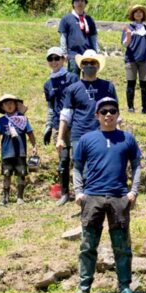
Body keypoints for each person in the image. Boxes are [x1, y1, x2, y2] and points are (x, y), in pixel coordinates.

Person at [68, 97, 141, 293]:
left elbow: (137, 165)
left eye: (112, 111)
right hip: (92, 197)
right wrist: (79, 192)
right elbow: (77, 167)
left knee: (122, 246)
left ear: (118, 114)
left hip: (119, 197)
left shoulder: (127, 138)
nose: (108, 114)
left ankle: (125, 287)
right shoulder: (87, 139)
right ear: (97, 115)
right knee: (88, 245)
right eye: (104, 111)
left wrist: (133, 191)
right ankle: (84, 289)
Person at [59, 50, 118, 206]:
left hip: (103, 133)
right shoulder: (73, 88)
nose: (89, 66)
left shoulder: (108, 86)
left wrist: (117, 131)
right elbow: (65, 115)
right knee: (81, 168)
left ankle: (102, 199)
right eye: (86, 63)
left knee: (103, 165)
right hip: (79, 133)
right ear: (81, 66)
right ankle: (85, 201)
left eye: (93, 63)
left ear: (98, 66)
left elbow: (115, 111)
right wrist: (60, 137)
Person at [44, 47, 79, 203]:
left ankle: (81, 191)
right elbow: (51, 107)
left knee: (79, 159)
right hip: (60, 126)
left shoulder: (72, 78)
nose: (54, 62)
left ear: (63, 59)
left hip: (77, 123)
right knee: (63, 161)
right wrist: (48, 126)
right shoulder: (48, 84)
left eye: (56, 58)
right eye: (50, 59)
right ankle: (65, 193)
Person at [0, 94, 36, 205]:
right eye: (6, 104)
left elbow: (30, 133)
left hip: (20, 152)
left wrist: (34, 146)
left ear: (16, 104)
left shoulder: (23, 119)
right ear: (2, 107)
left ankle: (20, 197)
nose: (9, 105)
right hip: (7, 152)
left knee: (21, 174)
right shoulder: (1, 121)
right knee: (6, 174)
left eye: (11, 102)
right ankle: (5, 197)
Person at [122, 4, 146, 115]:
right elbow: (125, 44)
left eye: (140, 12)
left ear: (143, 15)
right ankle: (130, 107)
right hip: (131, 59)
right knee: (131, 83)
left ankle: (145, 108)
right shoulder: (128, 28)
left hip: (144, 59)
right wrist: (128, 36)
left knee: (144, 84)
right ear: (132, 14)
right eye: (136, 11)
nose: (138, 13)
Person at [58, 0, 100, 73]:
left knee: (88, 80)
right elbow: (63, 37)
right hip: (73, 55)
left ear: (85, 4)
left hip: (88, 55)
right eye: (77, 1)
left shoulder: (89, 19)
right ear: (73, 4)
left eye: (82, 1)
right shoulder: (66, 19)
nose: (80, 3)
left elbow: (93, 38)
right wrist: (64, 53)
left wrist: (97, 52)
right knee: (73, 80)